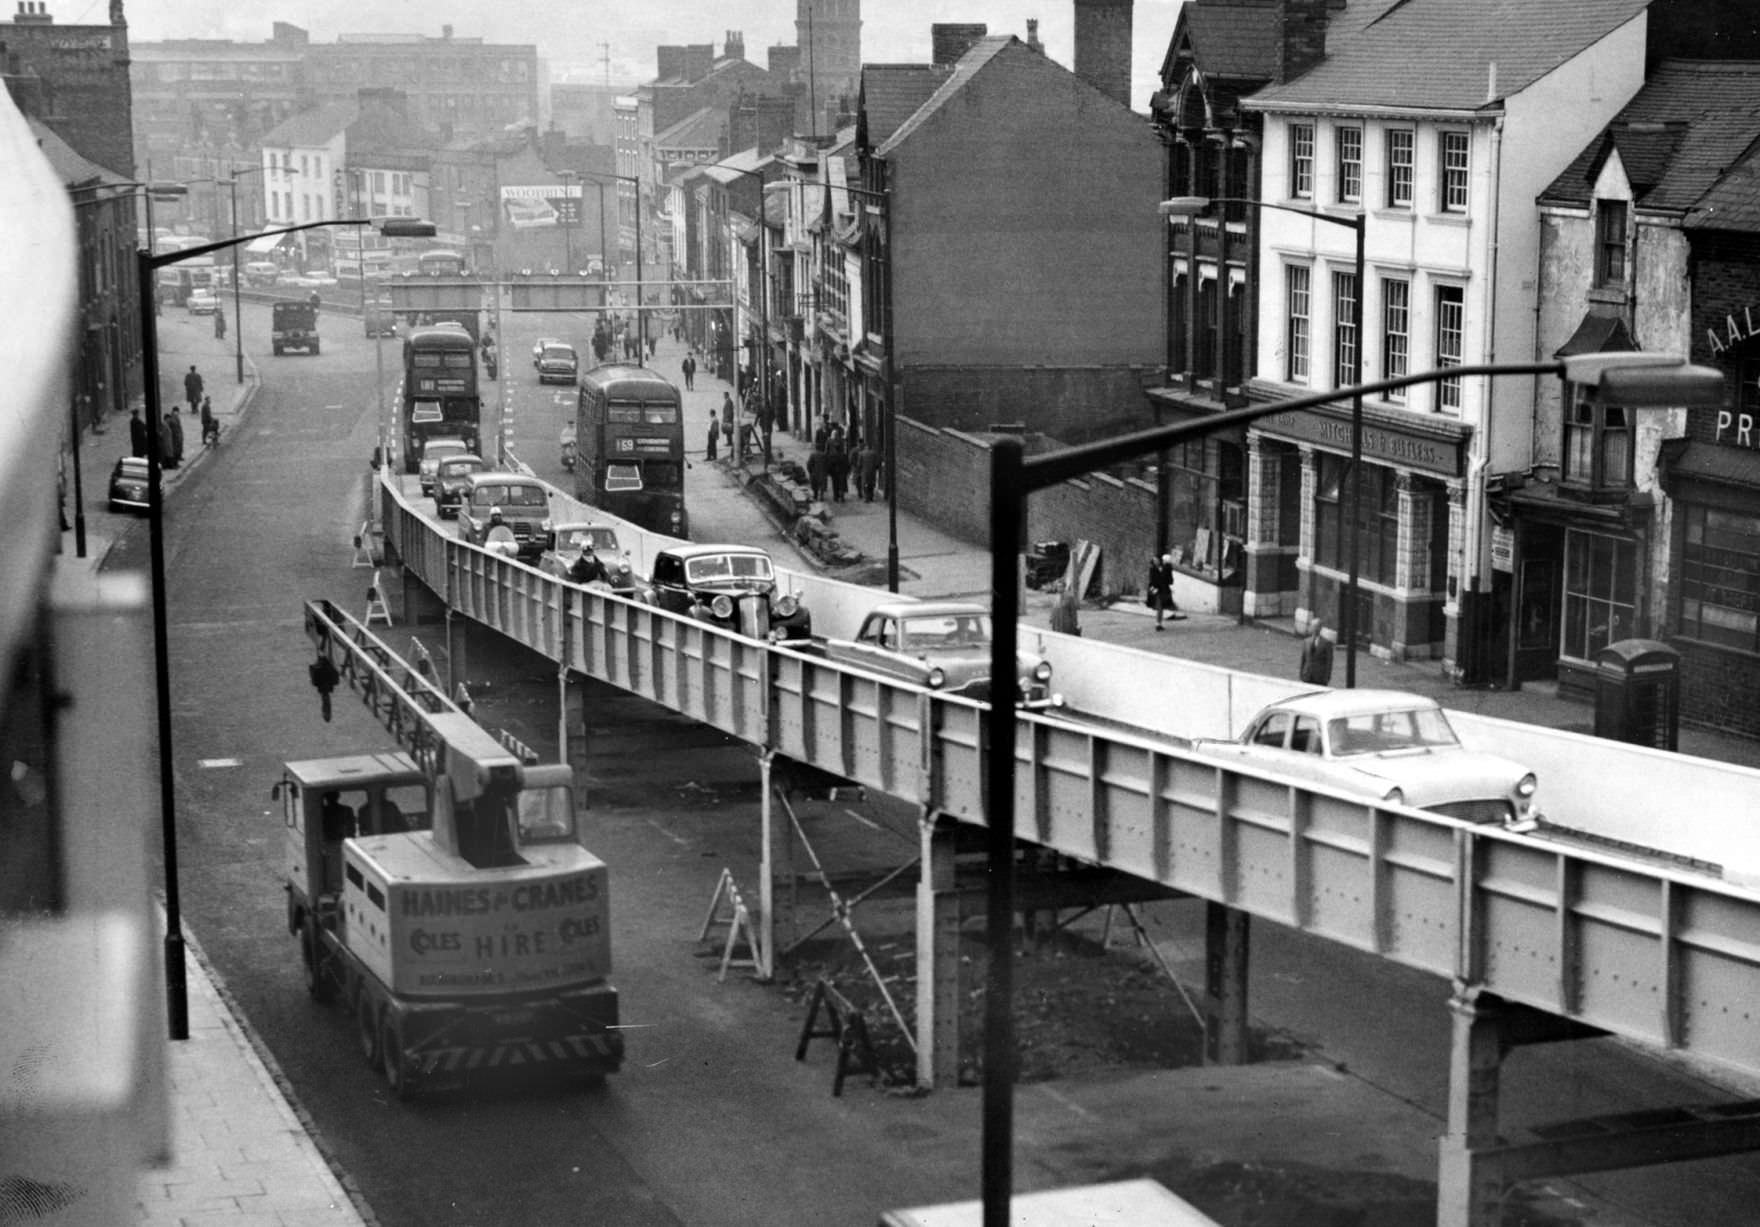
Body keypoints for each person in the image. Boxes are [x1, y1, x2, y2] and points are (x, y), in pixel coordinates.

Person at [1300, 618, 1335, 686]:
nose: (1314, 629)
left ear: (1320, 628)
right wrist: (1301, 674)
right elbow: (1303, 659)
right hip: (1307, 675)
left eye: (1316, 627)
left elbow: (1329, 662)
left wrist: (1327, 677)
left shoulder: (1326, 643)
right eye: (1313, 626)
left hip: (1319, 677)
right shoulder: (1306, 641)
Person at [1148, 554, 1177, 630]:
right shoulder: (1153, 569)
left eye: (1157, 560)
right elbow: (1153, 580)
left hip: (1163, 590)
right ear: (1153, 562)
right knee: (1160, 607)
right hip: (1157, 590)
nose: (1157, 561)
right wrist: (1154, 589)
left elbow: (1169, 581)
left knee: (1161, 607)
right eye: (1155, 560)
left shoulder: (1163, 568)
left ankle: (1159, 623)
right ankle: (1158, 624)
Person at [308, 652, 340, 722]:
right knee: (325, 698)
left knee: (325, 698)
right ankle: (326, 715)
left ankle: (327, 715)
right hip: (325, 682)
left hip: (325, 682)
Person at [826, 426, 850, 502]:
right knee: (842, 483)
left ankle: (836, 496)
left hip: (834, 471)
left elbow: (826, 452)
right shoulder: (843, 455)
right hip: (841, 471)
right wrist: (847, 471)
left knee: (835, 483)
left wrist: (828, 470)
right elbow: (847, 463)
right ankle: (841, 496)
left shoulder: (831, 455)